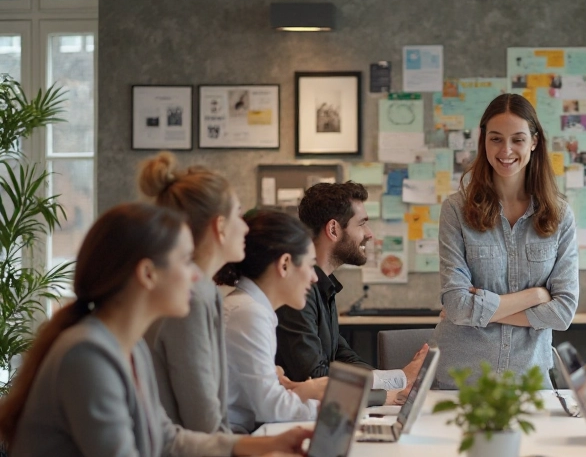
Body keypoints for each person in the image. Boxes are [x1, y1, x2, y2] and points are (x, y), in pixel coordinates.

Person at [0, 204, 320, 457]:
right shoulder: (87, 355)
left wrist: (252, 448)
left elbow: (166, 439)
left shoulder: (131, 346)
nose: (198, 275)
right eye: (185, 261)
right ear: (148, 274)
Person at [435, 93, 579, 388]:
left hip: (530, 380)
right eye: (496, 139)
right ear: (483, 140)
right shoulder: (455, 210)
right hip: (462, 381)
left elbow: (563, 312)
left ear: (534, 142)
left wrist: (480, 309)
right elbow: (458, 305)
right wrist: (536, 296)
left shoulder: (560, 215)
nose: (506, 150)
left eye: (518, 139)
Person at [275, 182, 427, 407]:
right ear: (334, 229)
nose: (369, 234)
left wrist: (396, 381)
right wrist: (397, 383)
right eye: (362, 223)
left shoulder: (324, 286)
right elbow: (314, 375)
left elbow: (342, 356)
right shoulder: (298, 292)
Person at [138, 151, 247, 433]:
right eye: (239, 214)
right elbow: (205, 424)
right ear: (220, 227)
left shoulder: (202, 291)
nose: (246, 226)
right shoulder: (192, 298)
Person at [217, 210, 322, 434]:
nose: (314, 277)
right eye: (311, 265)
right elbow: (272, 407)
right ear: (284, 264)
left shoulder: (251, 308)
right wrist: (328, 407)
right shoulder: (249, 312)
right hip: (232, 439)